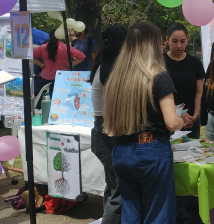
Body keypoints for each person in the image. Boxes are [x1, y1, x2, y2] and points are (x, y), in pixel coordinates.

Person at [103, 22, 183, 224]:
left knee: (131, 214)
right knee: (158, 214)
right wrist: (181, 120)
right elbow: (172, 122)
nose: (163, 45)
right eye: (161, 41)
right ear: (153, 44)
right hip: (151, 152)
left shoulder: (116, 78)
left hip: (121, 151)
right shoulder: (159, 76)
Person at [89, 25, 128, 224]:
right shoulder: (109, 71)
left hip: (103, 132)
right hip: (107, 134)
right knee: (119, 191)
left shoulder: (103, 65)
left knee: (112, 186)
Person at [164, 23, 205, 139]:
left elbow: (199, 92)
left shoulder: (195, 63)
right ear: (167, 40)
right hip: (168, 118)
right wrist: (180, 113)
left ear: (187, 40)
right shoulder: (160, 62)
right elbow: (161, 94)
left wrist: (196, 115)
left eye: (182, 41)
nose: (178, 45)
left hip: (191, 120)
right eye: (174, 41)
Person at [33, 30, 86, 97]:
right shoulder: (66, 48)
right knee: (60, 100)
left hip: (45, 78)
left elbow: (30, 55)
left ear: (49, 37)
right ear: (61, 37)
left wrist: (40, 64)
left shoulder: (43, 47)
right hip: (62, 77)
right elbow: (82, 56)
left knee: (45, 100)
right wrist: (71, 64)